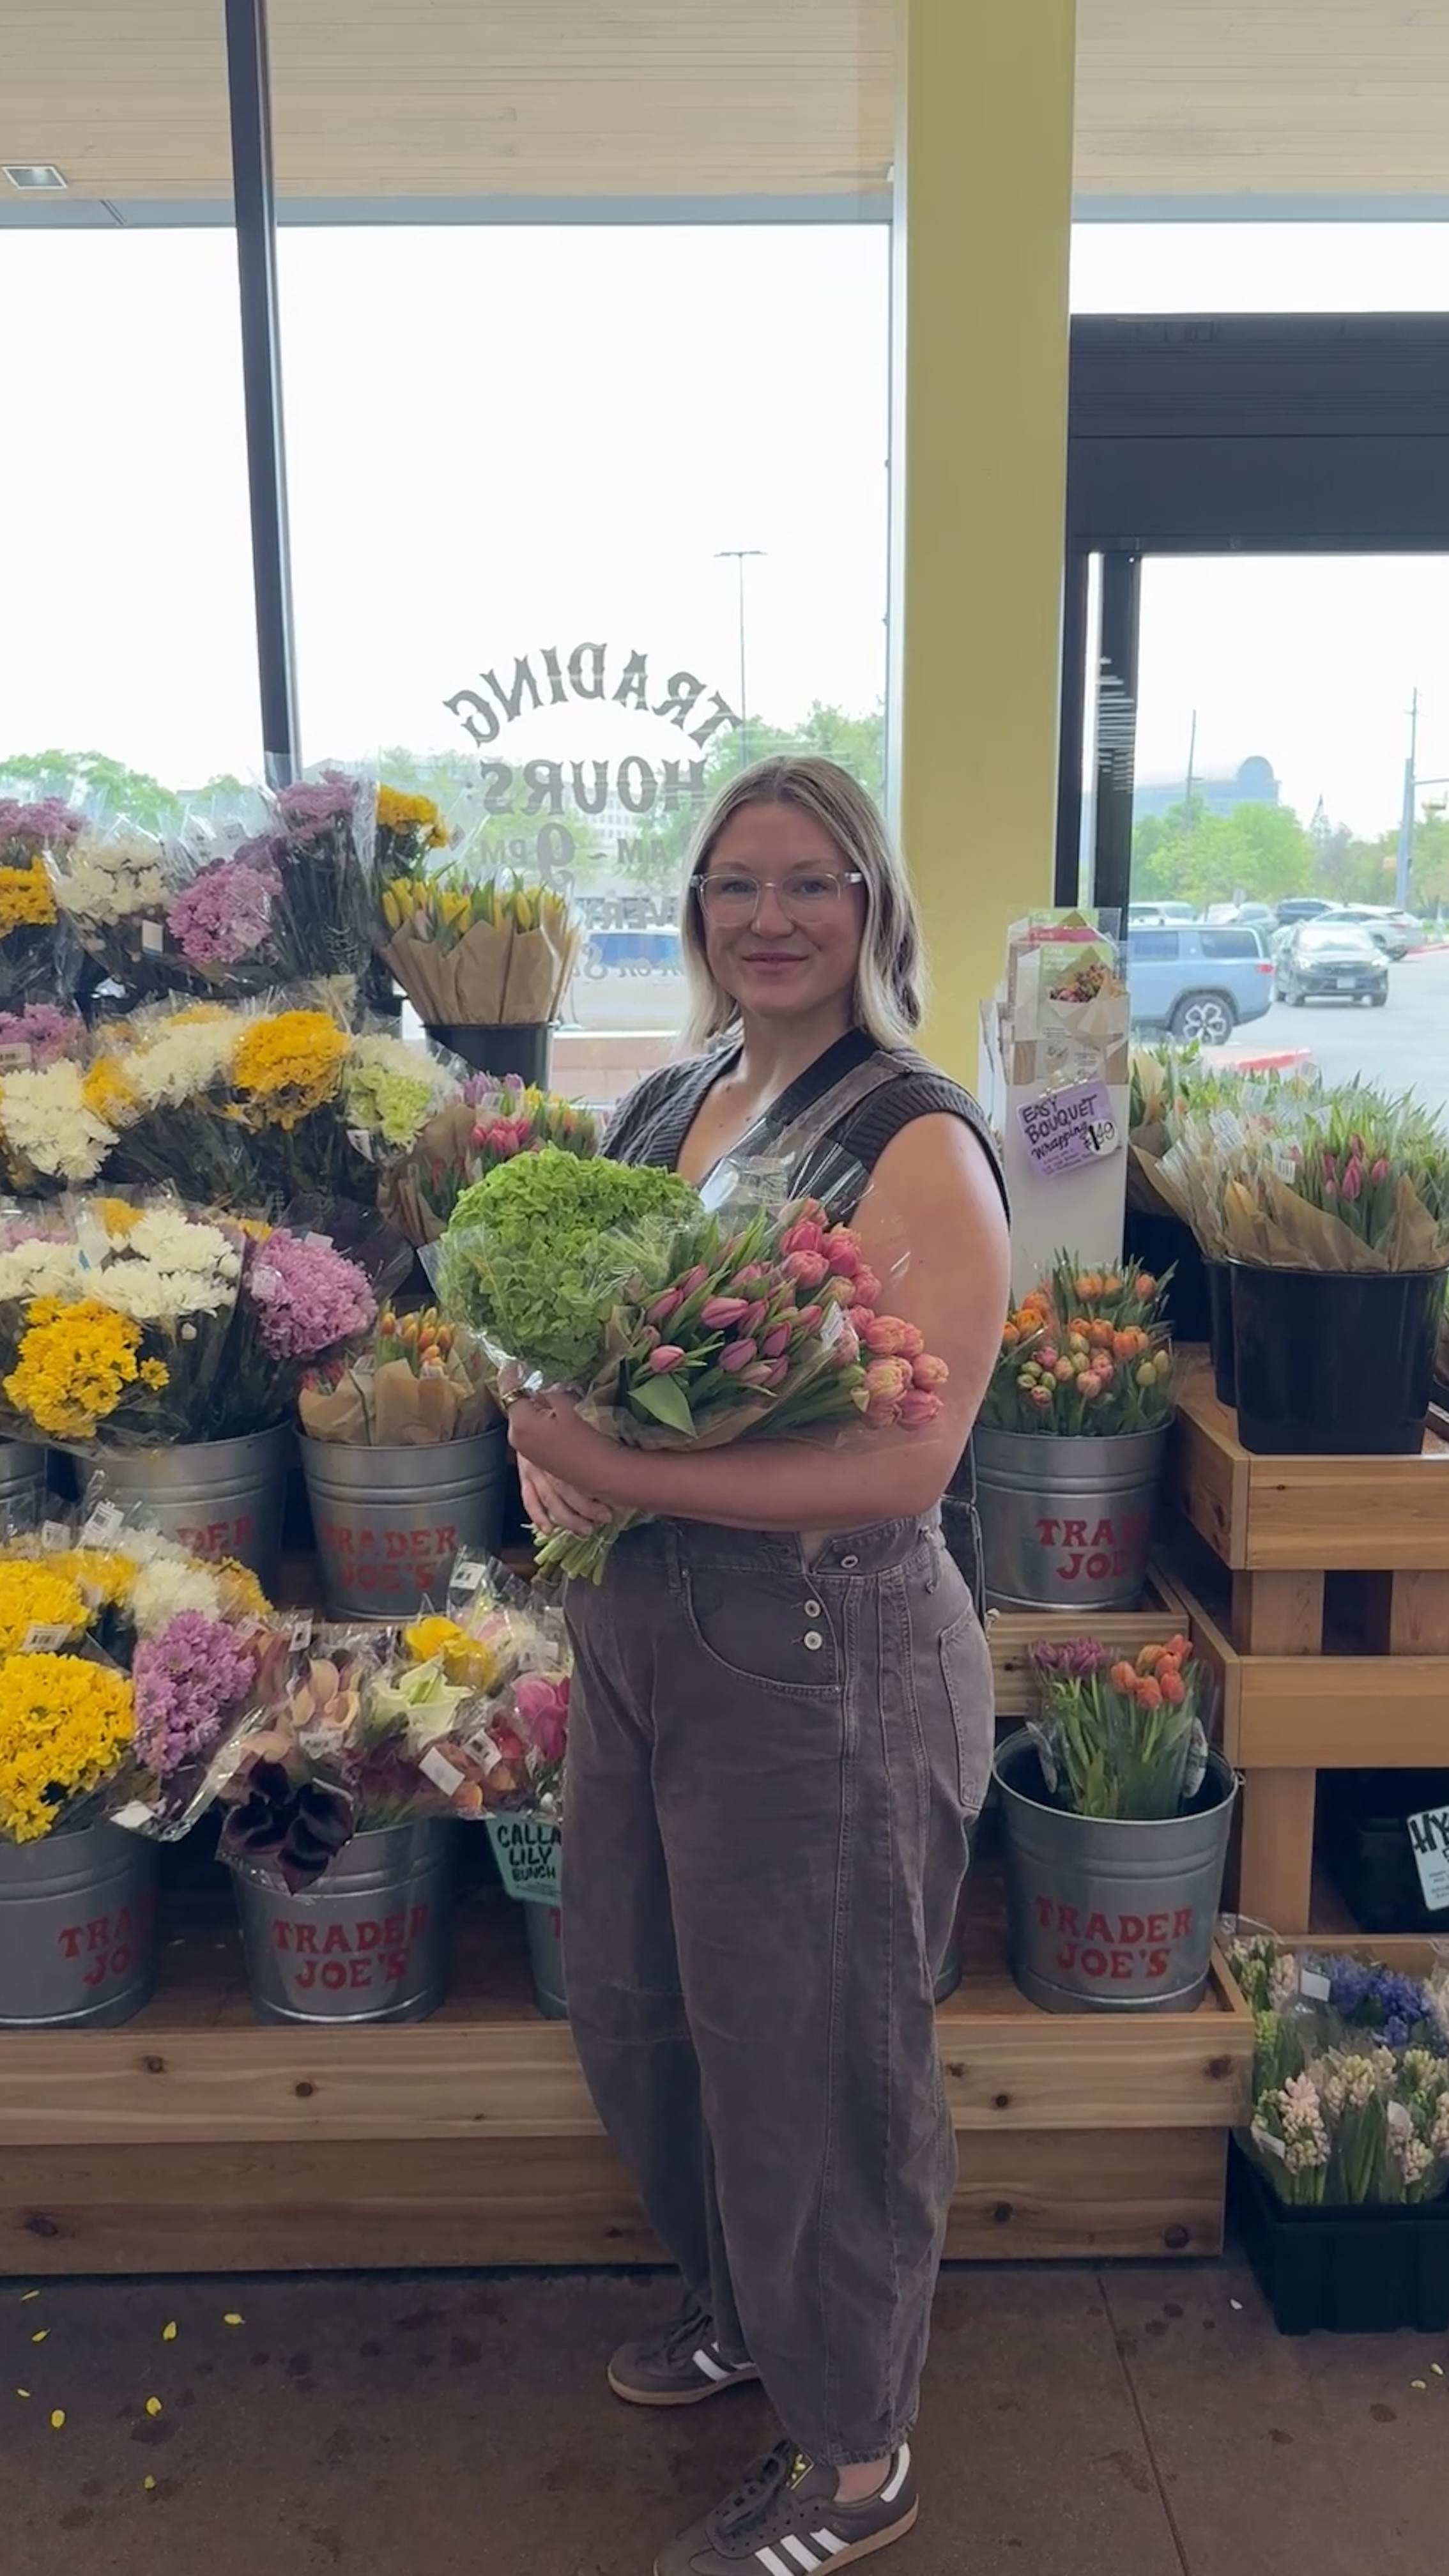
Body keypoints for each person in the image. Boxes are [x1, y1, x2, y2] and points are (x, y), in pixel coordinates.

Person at [508, 756, 1010, 2576]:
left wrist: (607, 1464)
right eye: (735, 884)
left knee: (819, 2060)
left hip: (827, 1657)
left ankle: (853, 2453)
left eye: (811, 882)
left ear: (872, 904)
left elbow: (907, 1459)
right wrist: (539, 1436)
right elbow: (570, 1343)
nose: (770, 918)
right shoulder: (671, 1099)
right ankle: (748, 2305)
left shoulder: (915, 1136)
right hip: (646, 1629)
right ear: (697, 910)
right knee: (639, 2007)